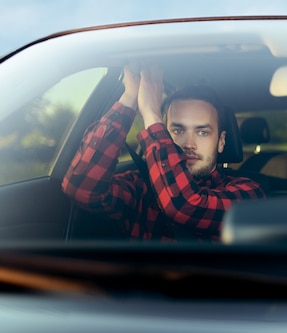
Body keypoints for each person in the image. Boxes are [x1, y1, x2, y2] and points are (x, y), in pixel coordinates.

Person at [62, 63, 266, 242]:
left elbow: (184, 206)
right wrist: (130, 97)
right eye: (177, 130)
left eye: (202, 132)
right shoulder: (140, 186)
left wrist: (150, 112)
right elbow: (82, 189)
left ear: (221, 142)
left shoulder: (248, 193)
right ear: (162, 133)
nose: (189, 144)